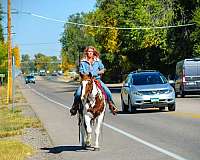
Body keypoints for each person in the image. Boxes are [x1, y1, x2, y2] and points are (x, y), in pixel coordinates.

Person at [70, 46, 118, 116]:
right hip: (87, 80)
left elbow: (103, 69)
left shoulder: (98, 61)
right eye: (89, 51)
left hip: (96, 80)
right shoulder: (83, 62)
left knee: (108, 92)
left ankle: (112, 105)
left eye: (91, 52)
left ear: (93, 52)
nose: (90, 53)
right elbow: (81, 71)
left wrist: (97, 73)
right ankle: (75, 106)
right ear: (86, 52)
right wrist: (86, 75)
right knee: (78, 93)